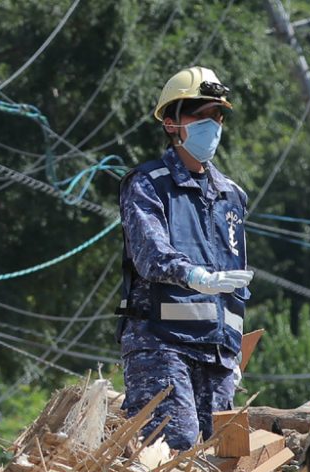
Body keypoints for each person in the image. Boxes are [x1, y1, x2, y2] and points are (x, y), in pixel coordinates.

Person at [116, 66, 253, 451]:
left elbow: (236, 285)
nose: (212, 124)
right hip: (161, 343)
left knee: (216, 460)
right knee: (171, 453)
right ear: (172, 123)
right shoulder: (147, 183)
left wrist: (234, 347)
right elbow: (150, 255)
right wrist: (196, 276)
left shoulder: (231, 196)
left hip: (217, 352)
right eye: (200, 114)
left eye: (217, 116)